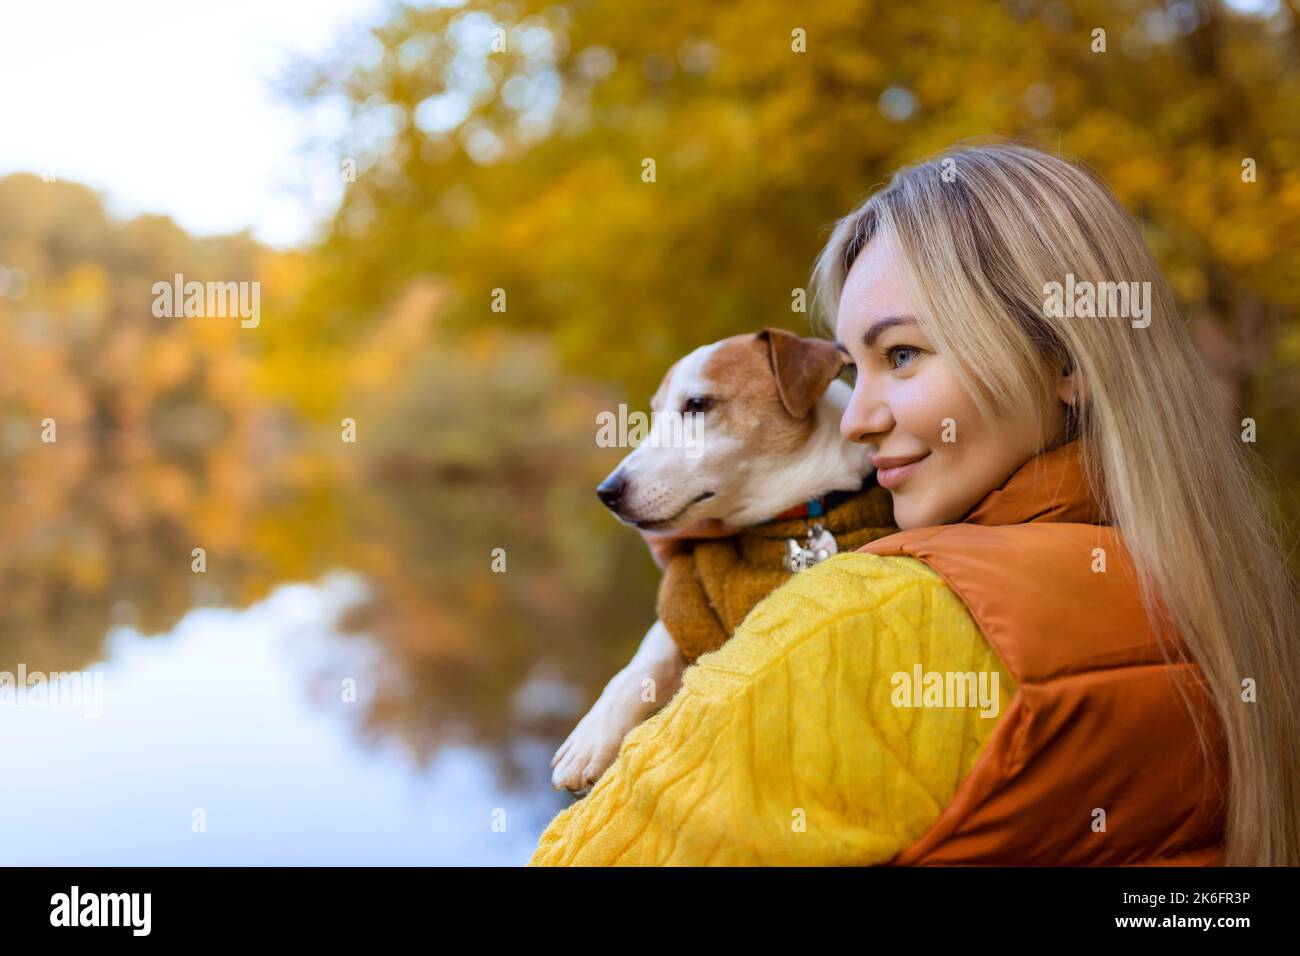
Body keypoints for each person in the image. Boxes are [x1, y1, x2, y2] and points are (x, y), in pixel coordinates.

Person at [528, 142, 1300, 866]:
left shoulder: (867, 619)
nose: (857, 418)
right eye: (856, 366)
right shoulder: (1226, 597)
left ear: (1065, 362)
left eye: (902, 354)